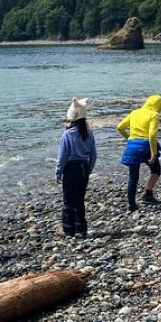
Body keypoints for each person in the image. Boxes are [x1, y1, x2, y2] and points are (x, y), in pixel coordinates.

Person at [116, 94, 161, 212]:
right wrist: (153, 152)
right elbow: (152, 135)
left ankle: (131, 205)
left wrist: (129, 138)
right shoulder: (154, 115)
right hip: (146, 148)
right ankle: (148, 194)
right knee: (156, 170)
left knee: (133, 178)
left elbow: (119, 127)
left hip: (132, 147)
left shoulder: (134, 113)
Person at [55, 98, 97, 238]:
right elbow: (94, 155)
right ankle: (81, 228)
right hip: (84, 167)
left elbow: (62, 157)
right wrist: (88, 170)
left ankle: (68, 229)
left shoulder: (67, 134)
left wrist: (58, 172)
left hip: (71, 169)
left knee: (68, 200)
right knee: (80, 199)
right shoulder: (88, 133)